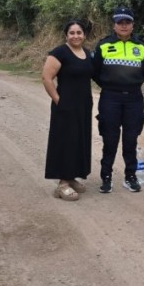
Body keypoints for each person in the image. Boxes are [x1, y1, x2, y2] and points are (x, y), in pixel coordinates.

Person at [91, 6, 144, 193]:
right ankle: (106, 177)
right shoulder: (103, 45)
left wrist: (130, 84)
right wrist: (111, 86)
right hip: (110, 98)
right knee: (110, 139)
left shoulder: (140, 47)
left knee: (130, 139)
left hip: (134, 98)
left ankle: (130, 176)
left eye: (127, 22)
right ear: (114, 25)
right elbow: (95, 72)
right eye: (120, 22)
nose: (124, 26)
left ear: (133, 25)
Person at [42, 19, 94, 201]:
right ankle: (62, 184)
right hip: (65, 106)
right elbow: (46, 78)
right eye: (72, 33)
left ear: (84, 35)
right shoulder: (59, 53)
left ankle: (72, 178)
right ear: (66, 35)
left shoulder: (87, 53)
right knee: (65, 142)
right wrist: (58, 101)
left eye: (79, 32)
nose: (76, 36)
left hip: (83, 106)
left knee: (79, 141)